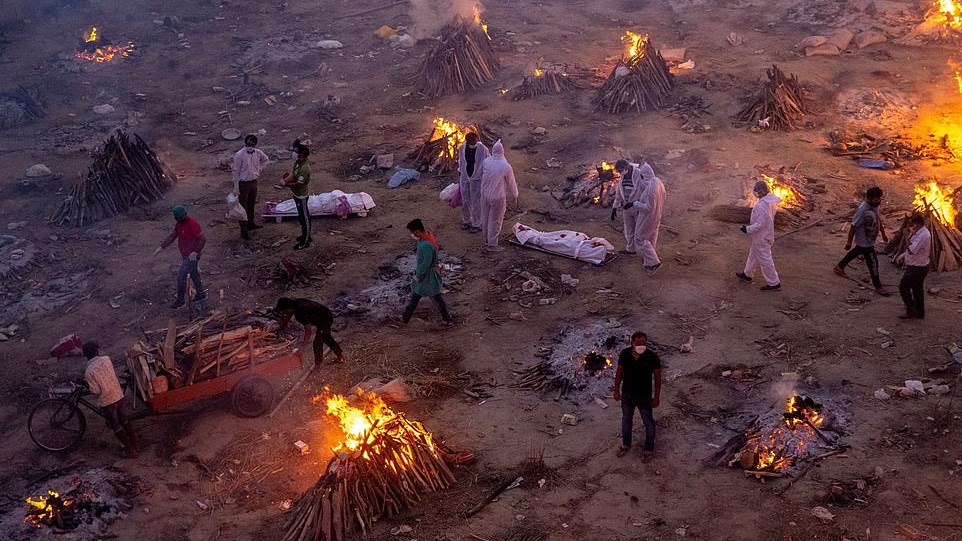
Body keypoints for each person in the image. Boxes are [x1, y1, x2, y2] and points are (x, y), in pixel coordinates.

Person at [83, 341, 139, 457]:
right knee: (125, 420)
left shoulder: (89, 372)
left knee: (116, 426)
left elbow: (96, 391)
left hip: (108, 401)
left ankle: (131, 451)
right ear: (96, 351)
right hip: (118, 394)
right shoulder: (106, 359)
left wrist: (86, 385)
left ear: (85, 356)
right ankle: (135, 444)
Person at [613, 331, 662, 462]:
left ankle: (649, 449)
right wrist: (616, 390)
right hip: (627, 395)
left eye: (644, 343)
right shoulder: (625, 354)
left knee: (648, 422)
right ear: (632, 343)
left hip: (644, 396)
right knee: (626, 419)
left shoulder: (652, 357)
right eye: (638, 343)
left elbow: (657, 378)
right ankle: (626, 444)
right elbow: (619, 372)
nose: (641, 346)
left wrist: (656, 397)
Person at [834, 187, 890, 296]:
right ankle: (878, 286)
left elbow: (878, 220)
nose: (878, 201)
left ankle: (839, 267)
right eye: (875, 200)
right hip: (864, 241)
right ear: (869, 199)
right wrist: (848, 242)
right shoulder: (862, 210)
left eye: (879, 199)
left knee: (856, 252)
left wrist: (883, 234)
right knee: (873, 263)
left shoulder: (875, 206)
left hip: (869, 240)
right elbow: (853, 226)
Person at [612, 160, 665, 272]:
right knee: (631, 230)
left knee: (641, 236)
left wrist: (634, 204)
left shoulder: (645, 184)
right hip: (638, 208)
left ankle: (652, 261)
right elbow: (619, 192)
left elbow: (647, 204)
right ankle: (633, 250)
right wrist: (615, 207)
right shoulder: (657, 182)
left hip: (641, 210)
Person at [401, 219, 454, 327]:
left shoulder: (426, 246)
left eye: (413, 232)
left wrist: (419, 275)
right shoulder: (427, 238)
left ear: (417, 231)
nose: (412, 235)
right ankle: (406, 317)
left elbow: (425, 264)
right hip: (428, 275)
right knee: (423, 296)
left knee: (430, 296)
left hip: (427, 276)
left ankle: (447, 319)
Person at [154, 205, 206, 309]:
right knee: (194, 275)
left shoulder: (192, 224)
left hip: (191, 257)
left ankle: (180, 300)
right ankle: (201, 295)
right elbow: (172, 236)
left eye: (181, 217)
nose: (180, 219)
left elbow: (202, 239)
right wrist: (161, 247)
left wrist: (195, 252)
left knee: (181, 277)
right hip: (186, 255)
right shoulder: (179, 224)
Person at [736, 180, 782, 291]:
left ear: (761, 192)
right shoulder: (769, 201)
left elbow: (759, 224)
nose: (754, 192)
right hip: (762, 235)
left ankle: (774, 283)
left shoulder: (762, 206)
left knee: (766, 260)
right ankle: (747, 275)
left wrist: (747, 229)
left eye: (756, 190)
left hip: (762, 237)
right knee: (753, 255)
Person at [275, 297, 344, 365]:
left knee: (317, 343)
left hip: (325, 319)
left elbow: (308, 331)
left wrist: (303, 347)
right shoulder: (295, 303)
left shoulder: (300, 312)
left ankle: (317, 366)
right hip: (323, 315)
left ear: (288, 309)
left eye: (284, 311)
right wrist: (281, 327)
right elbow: (287, 317)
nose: (284, 313)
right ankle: (340, 357)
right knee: (327, 338)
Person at [478, 140, 518, 252]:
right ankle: (492, 244)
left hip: (484, 195)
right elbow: (511, 182)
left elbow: (481, 174)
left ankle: (486, 239)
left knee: (485, 217)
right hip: (498, 197)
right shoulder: (505, 166)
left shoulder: (486, 161)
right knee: (495, 220)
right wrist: (515, 194)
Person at [232, 134, 269, 240]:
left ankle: (251, 223)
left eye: (253, 143)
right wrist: (236, 187)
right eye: (249, 143)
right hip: (243, 183)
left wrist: (260, 169)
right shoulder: (239, 155)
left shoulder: (258, 153)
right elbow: (235, 172)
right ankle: (243, 228)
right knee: (242, 206)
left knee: (251, 203)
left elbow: (266, 160)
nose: (250, 145)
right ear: (245, 143)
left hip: (253, 181)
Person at [896, 212, 931, 319]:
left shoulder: (923, 235)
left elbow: (911, 250)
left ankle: (911, 309)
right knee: (917, 289)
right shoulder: (919, 232)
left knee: (903, 287)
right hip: (919, 265)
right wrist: (902, 256)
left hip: (917, 267)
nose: (913, 226)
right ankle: (919, 312)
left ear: (919, 224)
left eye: (914, 224)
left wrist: (906, 237)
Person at [457, 132, 490, 233]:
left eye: (475, 140)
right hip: (465, 178)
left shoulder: (482, 149)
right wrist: (461, 172)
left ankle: (476, 223)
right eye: (472, 141)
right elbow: (461, 162)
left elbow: (487, 161)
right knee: (465, 200)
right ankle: (466, 221)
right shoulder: (462, 148)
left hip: (477, 179)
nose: (474, 142)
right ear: (468, 141)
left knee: (477, 201)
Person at [282, 141, 312, 250]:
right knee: (301, 217)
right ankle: (305, 235)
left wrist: (286, 184)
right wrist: (286, 180)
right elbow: (293, 175)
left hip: (301, 196)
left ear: (302, 155)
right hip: (297, 194)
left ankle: (305, 241)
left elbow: (299, 184)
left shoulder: (304, 168)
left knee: (304, 219)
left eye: (296, 152)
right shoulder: (298, 163)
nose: (294, 154)